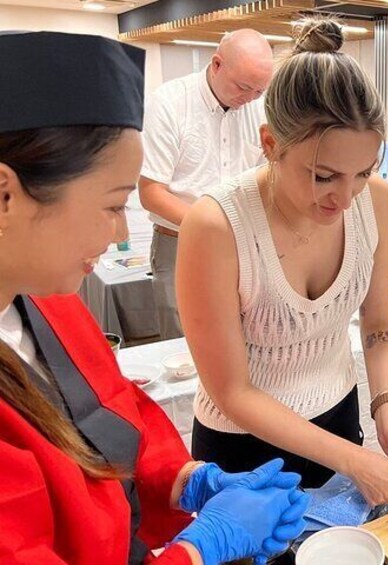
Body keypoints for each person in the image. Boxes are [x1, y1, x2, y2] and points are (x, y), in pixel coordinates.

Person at [0, 31, 307, 565]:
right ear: (5, 195)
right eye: (114, 204)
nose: (122, 230)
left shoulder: (51, 302)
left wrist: (184, 479)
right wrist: (197, 549)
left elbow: (111, 414)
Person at [176, 19, 388, 512]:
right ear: (270, 143)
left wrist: (387, 412)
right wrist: (355, 461)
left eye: (363, 172)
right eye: (324, 176)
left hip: (338, 418)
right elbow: (232, 390)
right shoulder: (217, 225)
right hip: (242, 445)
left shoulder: (376, 202)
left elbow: (380, 323)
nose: (345, 198)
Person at [140, 29, 273, 339]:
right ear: (217, 64)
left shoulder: (258, 107)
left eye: (259, 90)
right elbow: (151, 193)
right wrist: (215, 228)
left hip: (243, 244)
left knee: (242, 337)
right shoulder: (169, 104)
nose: (249, 98)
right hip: (178, 240)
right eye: (243, 87)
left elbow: (267, 176)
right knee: (182, 340)